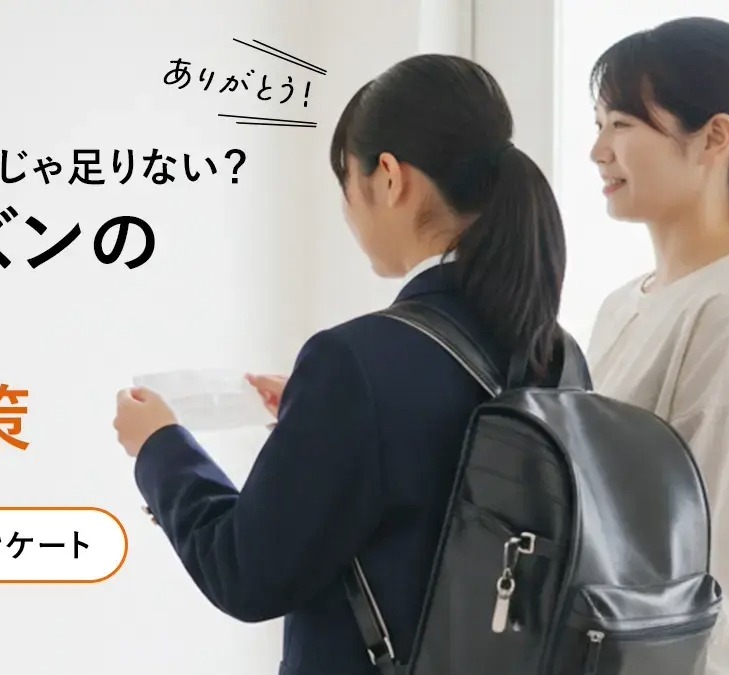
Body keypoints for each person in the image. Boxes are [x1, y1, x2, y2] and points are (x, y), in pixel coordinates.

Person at [112, 54, 568, 674]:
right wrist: (316, 414)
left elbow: (245, 572)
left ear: (390, 178)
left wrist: (160, 448)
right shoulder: (557, 352)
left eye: (346, 181)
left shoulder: (357, 361)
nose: (348, 209)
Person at [585, 16, 729, 674]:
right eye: (598, 124)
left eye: (622, 125)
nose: (598, 150)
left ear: (715, 137)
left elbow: (722, 568)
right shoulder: (623, 304)